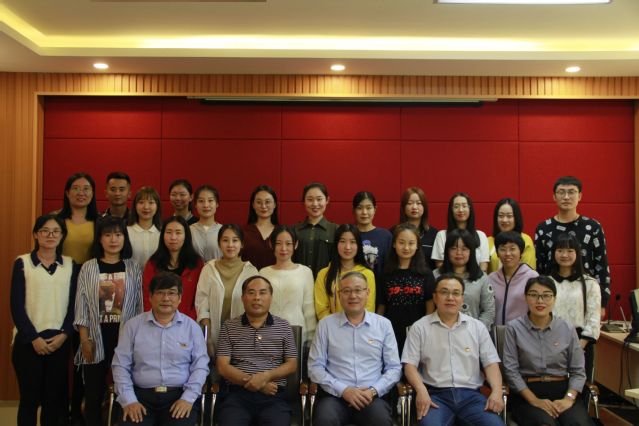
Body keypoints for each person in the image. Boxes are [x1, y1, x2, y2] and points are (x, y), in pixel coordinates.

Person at [402, 273, 504, 426]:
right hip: (436, 396)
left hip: (472, 397)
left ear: (462, 298)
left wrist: (496, 391)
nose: (450, 298)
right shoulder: (420, 327)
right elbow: (409, 366)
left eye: (456, 293)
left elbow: (490, 364)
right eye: (444, 292)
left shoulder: (477, 327)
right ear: (435, 297)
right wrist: (421, 390)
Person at [112, 272, 209, 426]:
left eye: (171, 293)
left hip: (178, 396)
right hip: (140, 396)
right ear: (150, 297)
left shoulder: (192, 327)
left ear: (180, 298)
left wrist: (188, 398)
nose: (166, 298)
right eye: (160, 293)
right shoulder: (132, 326)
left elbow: (200, 366)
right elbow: (120, 365)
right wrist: (129, 400)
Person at [73, 216, 143, 426]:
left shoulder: (133, 267)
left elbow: (138, 306)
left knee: (125, 391)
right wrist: (84, 339)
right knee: (93, 394)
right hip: (95, 339)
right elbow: (82, 305)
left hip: (125, 340)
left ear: (125, 238)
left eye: (118, 234)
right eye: (108, 235)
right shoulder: (89, 267)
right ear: (100, 239)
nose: (113, 240)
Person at [308, 271, 402, 426]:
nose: (353, 296)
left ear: (367, 293)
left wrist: (373, 391)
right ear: (339, 295)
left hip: (371, 397)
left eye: (358, 290)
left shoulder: (383, 325)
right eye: (346, 291)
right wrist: (344, 390)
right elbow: (315, 367)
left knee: (381, 420)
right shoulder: (326, 325)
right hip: (335, 397)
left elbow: (394, 368)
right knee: (324, 419)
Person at [10, 214, 78, 426]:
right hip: (28, 342)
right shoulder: (23, 263)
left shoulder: (70, 265)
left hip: (59, 342)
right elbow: (16, 306)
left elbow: (74, 306)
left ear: (62, 236)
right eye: (44, 231)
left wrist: (64, 335)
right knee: (29, 401)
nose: (50, 235)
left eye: (56, 231)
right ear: (35, 235)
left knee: (53, 402)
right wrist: (33, 338)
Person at [503, 276, 593, 426]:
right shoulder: (514, 328)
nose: (540, 301)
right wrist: (534, 400)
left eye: (546, 295)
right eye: (534, 295)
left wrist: (569, 399)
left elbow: (578, 370)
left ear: (554, 299)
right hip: (527, 393)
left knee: (577, 423)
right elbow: (511, 371)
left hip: (562, 390)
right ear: (525, 297)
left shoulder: (567, 328)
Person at [216, 276, 298, 426]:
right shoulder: (229, 326)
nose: (257, 298)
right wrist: (258, 384)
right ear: (243, 298)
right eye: (251, 292)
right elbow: (222, 366)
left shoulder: (283, 326)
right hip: (237, 395)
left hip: (273, 394)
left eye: (262, 293)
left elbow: (292, 364)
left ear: (271, 297)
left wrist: (266, 377)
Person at [535, 176, 610, 316]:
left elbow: (601, 265)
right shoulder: (543, 228)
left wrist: (602, 303)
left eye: (571, 192)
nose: (566, 197)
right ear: (554, 196)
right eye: (561, 192)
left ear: (580, 196)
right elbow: (539, 267)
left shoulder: (593, 227)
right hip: (551, 296)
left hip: (585, 294)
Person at [195, 224, 259, 360]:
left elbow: (256, 309)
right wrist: (207, 339)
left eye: (235, 240)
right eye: (225, 240)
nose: (230, 245)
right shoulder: (209, 269)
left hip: (243, 341)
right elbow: (202, 305)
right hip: (213, 338)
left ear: (242, 244)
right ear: (219, 244)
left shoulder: (251, 271)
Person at [550, 233, 601, 387]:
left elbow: (594, 318)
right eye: (560, 250)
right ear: (554, 253)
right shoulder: (546, 282)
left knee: (579, 387)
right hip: (550, 341)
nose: (564, 255)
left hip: (581, 343)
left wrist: (579, 346)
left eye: (570, 251)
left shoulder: (590, 283)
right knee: (553, 386)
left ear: (577, 254)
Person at [377, 223, 435, 353]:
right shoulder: (385, 274)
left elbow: (430, 310)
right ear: (394, 244)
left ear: (417, 245)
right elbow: (381, 308)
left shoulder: (425, 274)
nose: (406, 248)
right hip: (391, 334)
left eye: (411, 243)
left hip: (419, 334)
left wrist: (424, 331)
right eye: (401, 243)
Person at [259, 225, 316, 343]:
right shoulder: (263, 273)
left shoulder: (305, 272)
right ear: (271, 244)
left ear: (296, 244)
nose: (283, 248)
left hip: (297, 335)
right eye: (278, 243)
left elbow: (309, 308)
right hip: (268, 334)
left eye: (288, 243)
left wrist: (311, 339)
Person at [143, 216, 204, 320]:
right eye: (169, 232)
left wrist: (189, 320)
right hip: (158, 321)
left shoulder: (196, 264)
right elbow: (147, 296)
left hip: (187, 322)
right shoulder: (153, 263)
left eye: (178, 233)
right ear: (163, 235)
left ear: (186, 236)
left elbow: (200, 298)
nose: (173, 237)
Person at [435, 229, 495, 330]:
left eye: (464, 249)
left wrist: (477, 331)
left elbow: (489, 311)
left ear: (471, 251)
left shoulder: (482, 278)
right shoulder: (435, 276)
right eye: (454, 248)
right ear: (447, 251)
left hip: (473, 333)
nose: (459, 253)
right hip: (440, 332)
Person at [314, 224, 376, 320]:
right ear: (336, 244)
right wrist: (337, 326)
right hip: (331, 327)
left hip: (361, 327)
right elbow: (322, 310)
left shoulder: (367, 274)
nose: (347, 247)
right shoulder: (324, 274)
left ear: (358, 245)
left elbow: (369, 308)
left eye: (352, 242)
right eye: (342, 241)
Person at [489, 231, 539, 326]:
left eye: (512, 249)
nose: (508, 253)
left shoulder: (532, 277)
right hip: (496, 333)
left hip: (523, 332)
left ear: (521, 252)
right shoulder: (491, 278)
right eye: (502, 249)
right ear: (497, 253)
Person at [432, 192, 490, 272]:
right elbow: (440, 265)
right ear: (451, 210)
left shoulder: (481, 235)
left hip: (474, 279)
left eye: (464, 206)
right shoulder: (441, 235)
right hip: (448, 279)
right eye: (456, 206)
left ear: (470, 209)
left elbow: (483, 267)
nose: (461, 210)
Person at [293, 182, 337, 277]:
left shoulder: (336, 230)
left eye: (319, 199)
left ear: (327, 200)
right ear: (304, 201)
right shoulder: (294, 230)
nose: (315, 204)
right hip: (299, 283)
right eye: (310, 200)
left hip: (325, 283)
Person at [58, 172, 99, 265]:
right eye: (76, 188)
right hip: (62, 271)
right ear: (67, 193)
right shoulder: (56, 221)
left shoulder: (100, 222)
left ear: (92, 193)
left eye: (86, 189)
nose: (81, 193)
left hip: (90, 272)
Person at [487, 198, 535, 273]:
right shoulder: (488, 241)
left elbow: (529, 272)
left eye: (509, 216)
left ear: (516, 217)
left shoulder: (525, 240)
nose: (504, 220)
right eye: (501, 216)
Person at [353, 191, 392, 279]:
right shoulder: (349, 234)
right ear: (354, 210)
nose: (364, 212)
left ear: (375, 209)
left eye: (368, 208)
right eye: (359, 208)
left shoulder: (385, 236)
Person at [398, 187, 438, 269]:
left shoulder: (434, 234)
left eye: (419, 203)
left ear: (424, 207)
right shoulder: (394, 232)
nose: (414, 207)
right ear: (403, 207)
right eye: (410, 203)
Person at [242, 185, 278, 270]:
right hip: (249, 278)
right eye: (259, 202)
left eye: (267, 202)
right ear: (253, 205)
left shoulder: (282, 233)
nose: (263, 206)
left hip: (276, 278)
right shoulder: (243, 232)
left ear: (275, 204)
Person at [127, 186, 162, 269]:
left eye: (151, 202)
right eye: (141, 202)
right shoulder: (126, 231)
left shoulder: (163, 232)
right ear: (135, 206)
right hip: (131, 276)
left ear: (157, 206)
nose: (146, 207)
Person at [190, 184, 222, 262]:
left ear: (217, 204)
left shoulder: (223, 231)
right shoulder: (189, 230)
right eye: (201, 201)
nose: (206, 205)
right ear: (195, 205)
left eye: (210, 201)